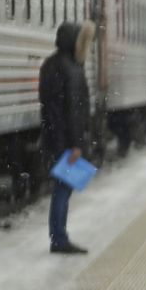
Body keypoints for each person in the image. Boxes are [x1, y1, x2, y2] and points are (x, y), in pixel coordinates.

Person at [39, 19, 94, 254]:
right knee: (63, 189)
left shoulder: (50, 64)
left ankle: (58, 235)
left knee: (61, 187)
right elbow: (74, 109)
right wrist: (76, 144)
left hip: (53, 135)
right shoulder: (71, 68)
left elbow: (50, 105)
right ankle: (59, 238)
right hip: (66, 140)